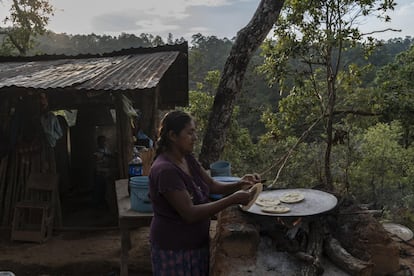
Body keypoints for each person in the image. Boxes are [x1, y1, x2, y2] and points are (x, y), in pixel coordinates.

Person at [148, 110, 261, 275]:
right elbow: (190, 213)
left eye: (195, 133)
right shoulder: (166, 170)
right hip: (175, 249)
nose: (195, 138)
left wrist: (240, 183)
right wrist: (233, 199)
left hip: (195, 244)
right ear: (172, 135)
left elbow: (212, 185)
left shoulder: (187, 158)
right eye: (190, 133)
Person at [93, 135, 114, 208]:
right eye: (102, 141)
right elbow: (100, 157)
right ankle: (97, 205)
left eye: (104, 141)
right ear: (98, 142)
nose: (104, 143)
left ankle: (103, 203)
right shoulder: (97, 151)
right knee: (98, 189)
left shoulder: (106, 149)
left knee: (105, 190)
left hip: (106, 172)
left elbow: (110, 155)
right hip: (99, 173)